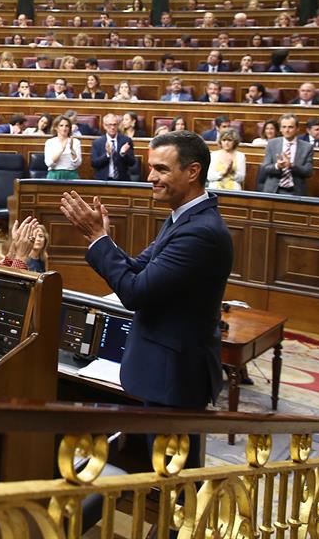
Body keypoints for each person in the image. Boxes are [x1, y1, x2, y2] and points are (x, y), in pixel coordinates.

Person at [60, 131, 232, 470]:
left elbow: (136, 292)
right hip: (164, 371)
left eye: (161, 169)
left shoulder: (201, 232)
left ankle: (176, 522)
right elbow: (139, 269)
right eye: (150, 168)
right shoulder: (184, 219)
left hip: (176, 380)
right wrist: (104, 239)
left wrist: (97, 239)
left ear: (192, 172)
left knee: (174, 479)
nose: (150, 177)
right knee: (159, 470)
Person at [91, 113, 135, 181]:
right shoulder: (97, 142)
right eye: (109, 125)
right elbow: (94, 164)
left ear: (118, 125)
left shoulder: (126, 141)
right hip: (103, 181)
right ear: (104, 126)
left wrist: (123, 154)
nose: (112, 127)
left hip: (122, 180)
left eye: (115, 124)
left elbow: (132, 162)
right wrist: (107, 155)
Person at [44, 114, 82, 180]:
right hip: (54, 175)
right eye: (61, 125)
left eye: (67, 126)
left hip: (71, 175)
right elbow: (49, 163)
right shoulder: (50, 142)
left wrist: (72, 150)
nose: (64, 128)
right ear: (56, 127)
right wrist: (62, 149)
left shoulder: (75, 142)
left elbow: (77, 164)